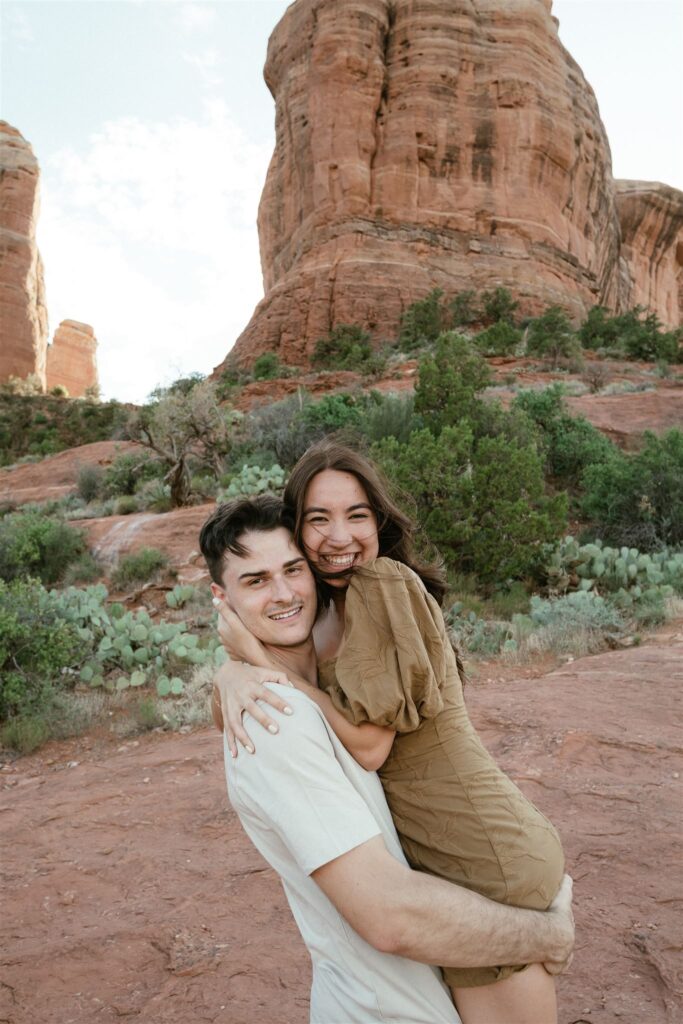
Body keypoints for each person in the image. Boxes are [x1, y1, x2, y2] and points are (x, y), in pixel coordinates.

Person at [211, 441, 567, 1024]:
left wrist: (258, 661)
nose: (339, 536)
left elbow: (372, 748)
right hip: (443, 852)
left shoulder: (381, 588)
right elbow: (273, 667)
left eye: (357, 515)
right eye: (318, 519)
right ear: (296, 529)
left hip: (478, 855)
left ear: (379, 520)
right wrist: (230, 671)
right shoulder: (325, 604)